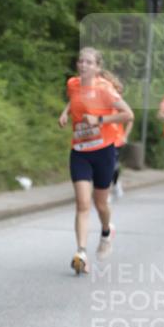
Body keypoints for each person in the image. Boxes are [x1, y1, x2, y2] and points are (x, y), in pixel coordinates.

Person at [58, 48, 134, 274]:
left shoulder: (105, 89)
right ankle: (81, 252)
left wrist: (100, 119)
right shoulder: (73, 83)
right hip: (80, 151)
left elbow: (128, 114)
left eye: (88, 62)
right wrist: (65, 112)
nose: (83, 65)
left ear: (97, 67)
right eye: (80, 61)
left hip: (103, 151)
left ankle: (106, 230)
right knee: (82, 203)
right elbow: (74, 100)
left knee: (101, 203)